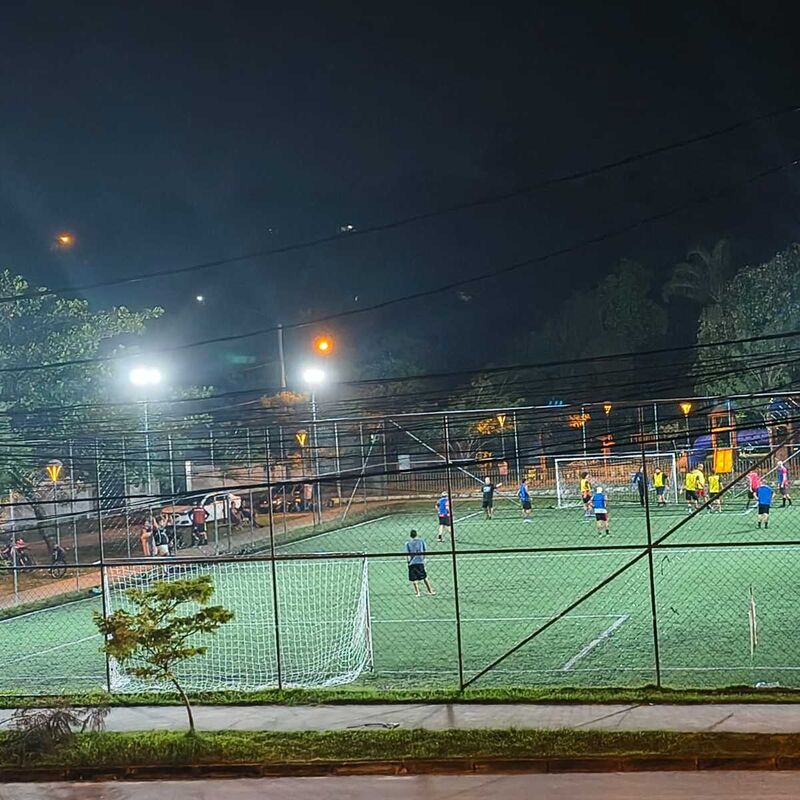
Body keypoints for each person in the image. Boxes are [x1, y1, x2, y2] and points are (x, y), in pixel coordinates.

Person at [405, 529, 435, 597]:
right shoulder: (421, 541)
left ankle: (418, 593)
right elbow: (424, 550)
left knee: (414, 579)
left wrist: (408, 562)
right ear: (416, 534)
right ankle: (430, 591)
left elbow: (407, 554)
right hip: (420, 562)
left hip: (412, 563)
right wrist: (423, 558)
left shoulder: (408, 543)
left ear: (410, 535)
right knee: (425, 577)